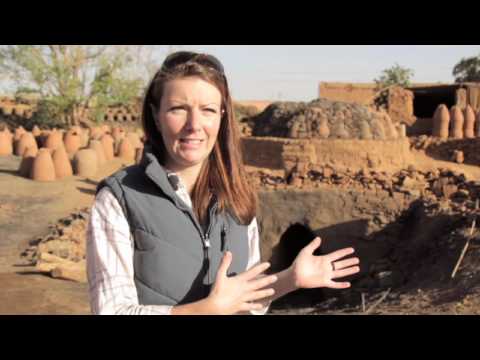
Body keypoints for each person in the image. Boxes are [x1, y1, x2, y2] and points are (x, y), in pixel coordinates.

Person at [86, 51, 360, 315]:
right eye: (178, 109)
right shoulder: (119, 199)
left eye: (207, 110)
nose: (194, 125)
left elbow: (244, 300)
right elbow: (112, 310)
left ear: (222, 116)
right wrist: (205, 310)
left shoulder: (237, 195)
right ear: (156, 116)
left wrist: (290, 279)